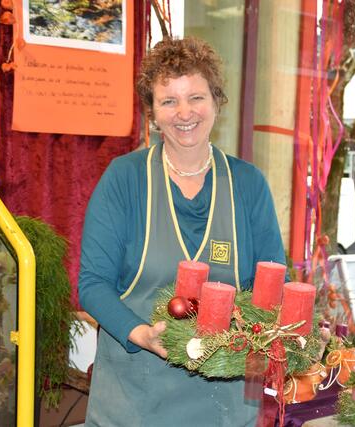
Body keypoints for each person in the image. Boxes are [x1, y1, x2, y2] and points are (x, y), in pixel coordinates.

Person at [78, 37, 286, 427]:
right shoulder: (124, 180)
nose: (184, 112)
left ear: (217, 102)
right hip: (134, 400)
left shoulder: (247, 184)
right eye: (168, 101)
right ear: (152, 113)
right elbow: (92, 284)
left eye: (196, 97)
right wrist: (140, 334)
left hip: (225, 404)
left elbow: (271, 283)